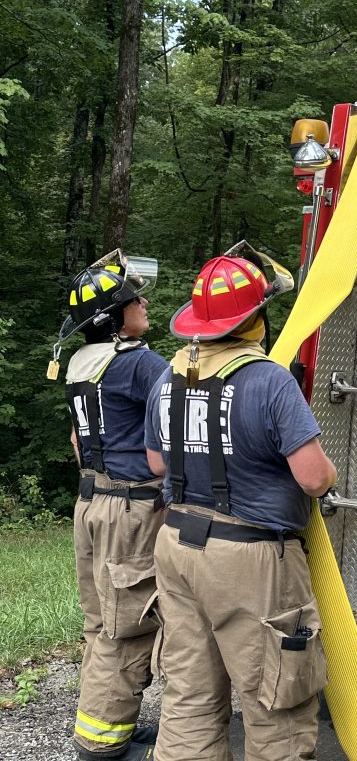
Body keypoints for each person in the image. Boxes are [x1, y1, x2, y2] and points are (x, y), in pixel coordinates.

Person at [144, 242, 337, 761]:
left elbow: (157, 464)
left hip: (176, 545)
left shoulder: (169, 377)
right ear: (254, 320)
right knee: (275, 698)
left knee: (189, 690)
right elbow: (315, 478)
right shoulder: (270, 380)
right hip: (249, 560)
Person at [49, 250, 167, 761]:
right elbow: (168, 446)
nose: (143, 302)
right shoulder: (140, 363)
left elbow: (79, 440)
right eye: (132, 299)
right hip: (131, 510)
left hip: (90, 502)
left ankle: (110, 724)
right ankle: (102, 747)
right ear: (114, 318)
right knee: (129, 627)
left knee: (101, 622)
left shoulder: (80, 364)